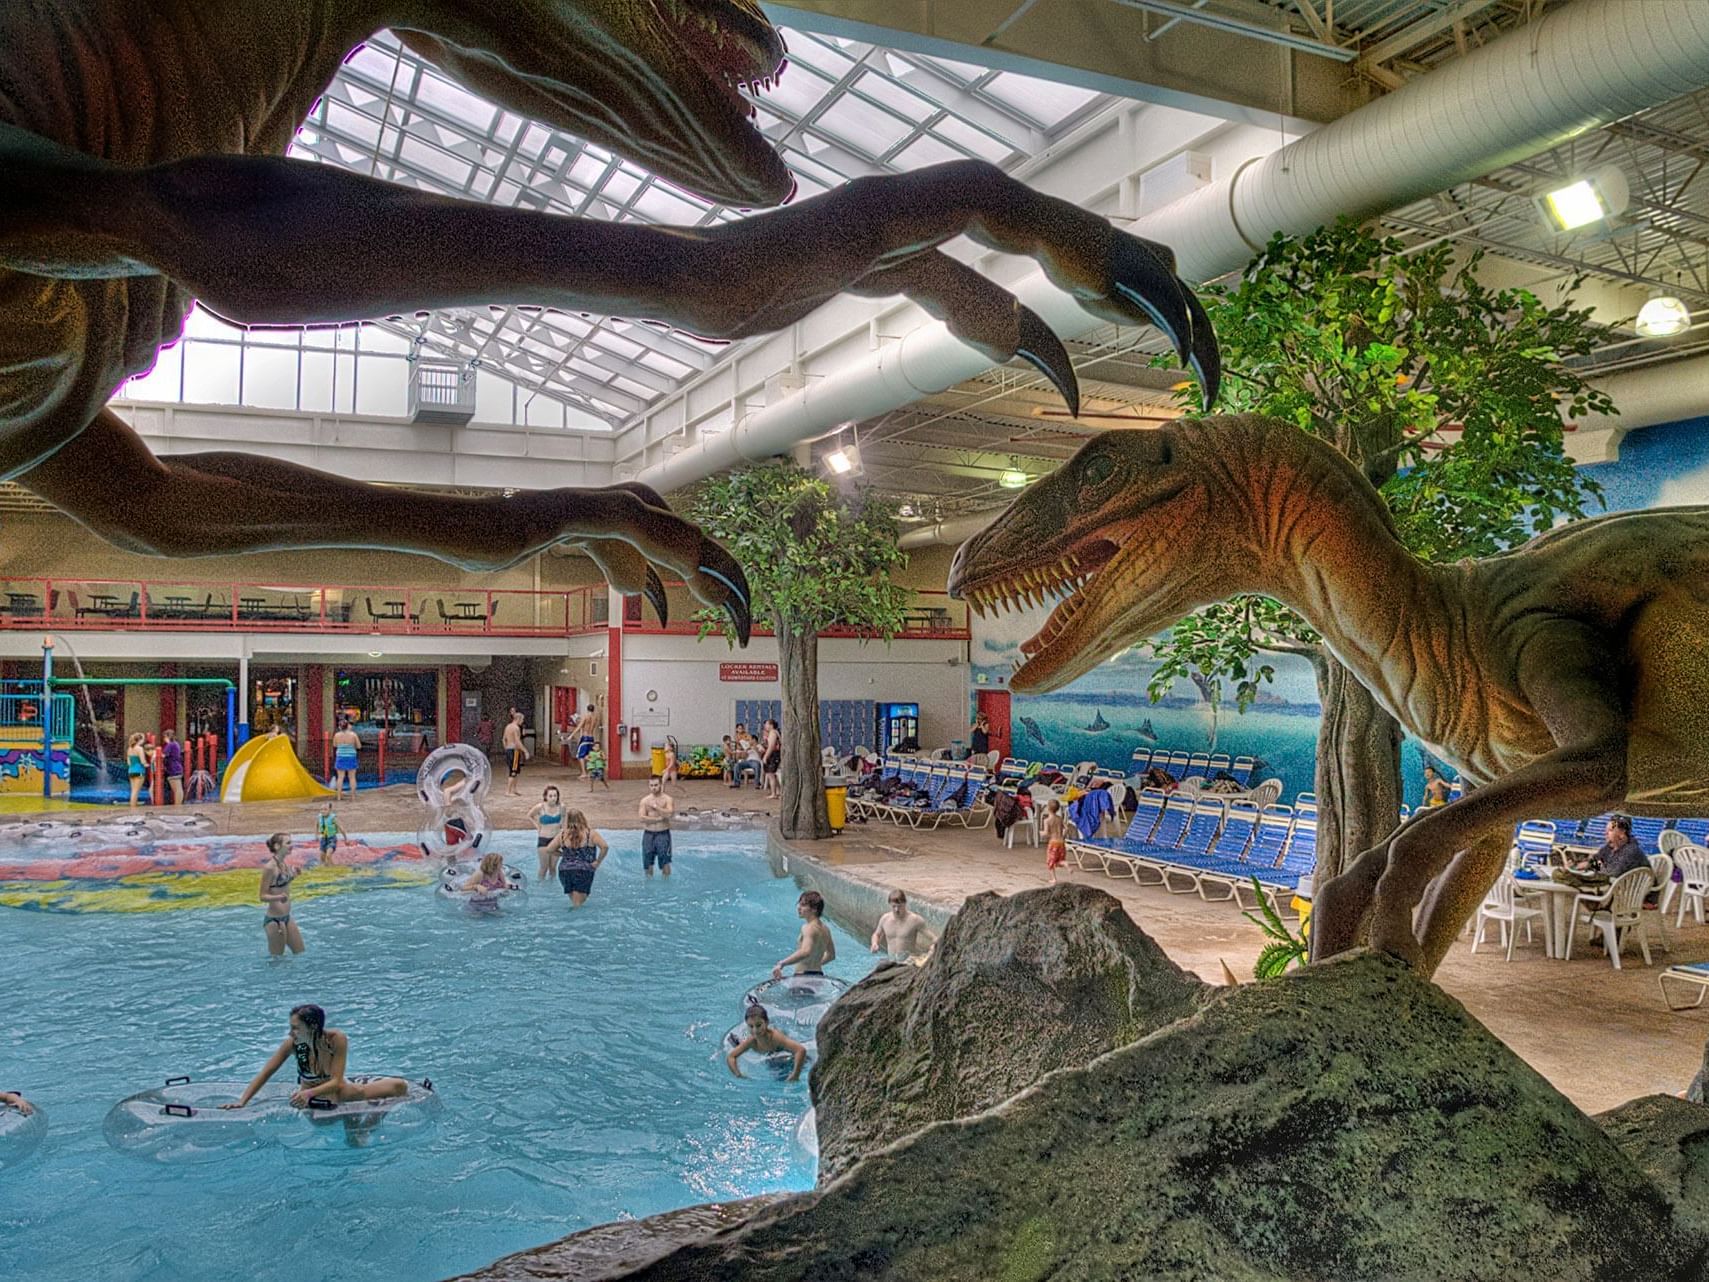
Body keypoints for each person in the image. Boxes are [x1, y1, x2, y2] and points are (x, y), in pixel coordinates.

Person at [222, 1004, 407, 1110]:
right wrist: (242, 1101)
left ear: (312, 1028)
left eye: (295, 1028)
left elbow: (335, 1081)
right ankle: (360, 1121)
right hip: (314, 1098)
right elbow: (266, 1073)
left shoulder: (336, 1039)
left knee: (400, 1086)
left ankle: (370, 1118)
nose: (290, 1032)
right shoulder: (293, 1044)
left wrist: (307, 1093)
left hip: (335, 1092)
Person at [725, 1004, 807, 1083]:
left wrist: (795, 1075)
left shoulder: (776, 1038)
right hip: (771, 1059)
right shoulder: (751, 1041)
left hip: (787, 1057)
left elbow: (800, 1050)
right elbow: (731, 1057)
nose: (755, 1030)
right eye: (751, 1026)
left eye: (759, 1025)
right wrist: (738, 1075)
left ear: (767, 1022)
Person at [258, 832, 305, 956]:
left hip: (287, 917)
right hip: (274, 921)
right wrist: (279, 897)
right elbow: (262, 896)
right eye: (288, 843)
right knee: (277, 961)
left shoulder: (283, 864)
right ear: (278, 846)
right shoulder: (269, 868)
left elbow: (281, 885)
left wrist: (294, 875)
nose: (292, 845)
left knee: (300, 953)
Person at [773, 890, 835, 978]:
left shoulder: (808, 927)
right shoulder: (826, 929)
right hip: (818, 976)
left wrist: (782, 963)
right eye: (799, 904)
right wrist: (815, 965)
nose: (799, 907)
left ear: (814, 909)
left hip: (803, 977)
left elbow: (806, 951)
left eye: (803, 905)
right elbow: (831, 955)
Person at [552, 810, 608, 907]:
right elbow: (605, 847)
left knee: (575, 902)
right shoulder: (591, 834)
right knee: (578, 905)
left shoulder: (562, 835)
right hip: (583, 870)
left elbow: (550, 850)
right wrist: (598, 861)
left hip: (564, 870)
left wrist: (564, 855)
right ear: (583, 818)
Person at [1572, 815, 1650, 880]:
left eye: (1610, 830)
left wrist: (1592, 865)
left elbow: (1610, 873)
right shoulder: (1611, 847)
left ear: (1622, 833)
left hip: (1635, 895)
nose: (1605, 833)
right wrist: (1576, 863)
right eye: (1606, 830)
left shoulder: (1630, 851)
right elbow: (1595, 859)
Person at [870, 889, 935, 961]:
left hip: (908, 962)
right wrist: (874, 943)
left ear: (905, 903)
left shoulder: (915, 920)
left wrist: (933, 947)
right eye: (894, 906)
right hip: (892, 961)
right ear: (890, 904)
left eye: (899, 906)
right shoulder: (885, 919)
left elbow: (933, 938)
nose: (896, 910)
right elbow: (876, 934)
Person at [638, 774, 675, 878]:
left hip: (663, 833)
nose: (654, 788)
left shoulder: (668, 799)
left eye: (656, 785)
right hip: (648, 834)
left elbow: (669, 814)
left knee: (665, 861)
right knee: (647, 860)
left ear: (661, 785)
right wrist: (657, 819)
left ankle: (666, 882)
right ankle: (648, 882)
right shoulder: (645, 801)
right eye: (651, 785)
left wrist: (656, 807)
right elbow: (641, 818)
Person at [528, 786, 566, 882]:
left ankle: (551, 887)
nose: (553, 798)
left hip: (556, 840)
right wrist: (537, 826)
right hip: (544, 839)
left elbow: (564, 818)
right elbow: (530, 815)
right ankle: (540, 887)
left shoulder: (562, 807)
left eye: (555, 795)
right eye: (550, 796)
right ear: (545, 796)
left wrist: (562, 830)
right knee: (544, 867)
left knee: (553, 867)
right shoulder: (540, 807)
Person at [331, 719, 361, 798]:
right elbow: (359, 746)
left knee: (340, 777)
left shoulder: (336, 735)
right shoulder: (353, 735)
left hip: (340, 756)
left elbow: (335, 745)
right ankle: (353, 795)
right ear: (348, 726)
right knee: (352, 777)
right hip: (351, 756)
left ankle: (338, 796)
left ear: (340, 727)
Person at [502, 710, 529, 796]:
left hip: (509, 749)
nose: (522, 721)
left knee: (516, 770)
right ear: (518, 719)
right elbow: (517, 741)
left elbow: (504, 739)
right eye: (522, 719)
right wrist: (525, 751)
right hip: (514, 750)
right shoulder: (516, 728)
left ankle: (514, 789)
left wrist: (506, 748)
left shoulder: (508, 727)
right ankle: (508, 791)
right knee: (513, 771)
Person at [572, 704, 599, 780]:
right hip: (591, 737)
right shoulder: (595, 718)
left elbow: (579, 727)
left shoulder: (586, 716)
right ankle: (591, 771)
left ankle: (584, 772)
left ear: (587, 709)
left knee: (580, 755)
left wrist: (571, 735)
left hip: (585, 738)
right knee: (589, 755)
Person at [1043, 799, 1067, 884]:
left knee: (1051, 861)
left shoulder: (1047, 820)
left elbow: (1046, 833)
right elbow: (1066, 828)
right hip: (1061, 842)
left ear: (1048, 808)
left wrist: (1041, 833)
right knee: (1060, 859)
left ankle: (1054, 878)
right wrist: (1063, 836)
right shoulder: (1060, 819)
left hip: (1053, 842)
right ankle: (1065, 864)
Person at [160, 729, 185, 804]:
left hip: (173, 768)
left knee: (177, 788)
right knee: (178, 788)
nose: (164, 739)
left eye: (164, 737)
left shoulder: (170, 744)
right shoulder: (176, 744)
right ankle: (178, 804)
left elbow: (164, 755)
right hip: (176, 767)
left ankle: (177, 804)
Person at [126, 732, 149, 809]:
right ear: (140, 740)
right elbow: (142, 761)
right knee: (136, 791)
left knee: (133, 790)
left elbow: (129, 762)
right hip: (139, 771)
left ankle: (132, 805)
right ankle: (133, 807)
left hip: (131, 771)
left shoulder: (129, 749)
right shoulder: (139, 749)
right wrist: (147, 764)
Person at [761, 718, 782, 800]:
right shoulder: (774, 732)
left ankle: (774, 793)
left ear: (771, 725)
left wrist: (766, 756)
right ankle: (777, 791)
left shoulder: (773, 732)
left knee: (770, 774)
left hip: (773, 755)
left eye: (766, 724)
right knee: (772, 774)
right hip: (774, 755)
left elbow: (771, 746)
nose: (765, 726)